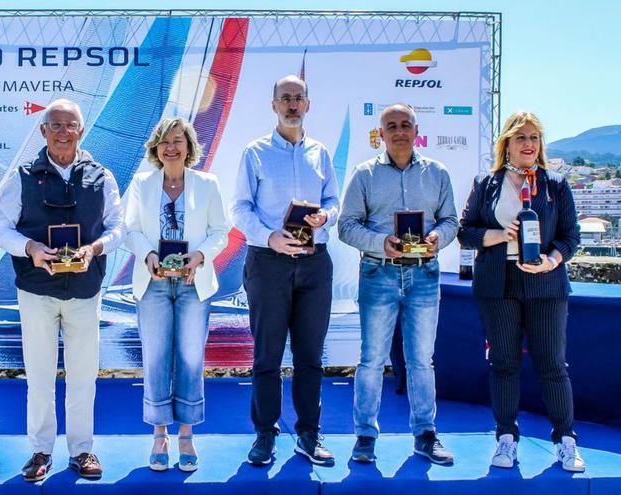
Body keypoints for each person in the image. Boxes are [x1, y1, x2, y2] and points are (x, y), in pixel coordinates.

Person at [0, 98, 124, 481]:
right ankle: (40, 451)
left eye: (71, 125)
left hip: (84, 289)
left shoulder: (103, 177)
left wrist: (94, 248)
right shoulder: (21, 177)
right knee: (40, 374)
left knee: (83, 374)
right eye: (56, 125)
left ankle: (82, 451)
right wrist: (29, 248)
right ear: (43, 130)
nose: (64, 131)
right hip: (36, 290)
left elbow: (118, 228)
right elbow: (0, 228)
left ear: (82, 131)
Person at [458, 111, 584, 472]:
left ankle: (565, 439)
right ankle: (506, 438)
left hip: (546, 285)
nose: (528, 144)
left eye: (534, 137)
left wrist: (552, 260)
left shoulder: (556, 184)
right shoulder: (486, 182)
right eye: (521, 137)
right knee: (504, 364)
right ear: (507, 144)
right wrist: (501, 235)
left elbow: (570, 236)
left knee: (552, 365)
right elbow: (466, 232)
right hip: (497, 285)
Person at [339, 104, 458, 465]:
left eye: (405, 124)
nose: (399, 131)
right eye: (391, 125)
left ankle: (425, 434)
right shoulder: (363, 175)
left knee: (421, 360)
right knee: (372, 359)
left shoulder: (438, 173)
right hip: (379, 273)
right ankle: (364, 436)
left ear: (416, 129)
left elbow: (451, 220)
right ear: (381, 133)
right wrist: (381, 243)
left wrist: (438, 236)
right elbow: (345, 226)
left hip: (424, 274)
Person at [230, 75, 340, 466]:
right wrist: (268, 236)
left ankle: (309, 433)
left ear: (308, 105)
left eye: (299, 98)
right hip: (268, 263)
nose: (292, 105)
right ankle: (265, 433)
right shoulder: (255, 152)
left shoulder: (320, 153)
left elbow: (333, 200)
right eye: (285, 99)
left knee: (310, 355)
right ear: (273, 105)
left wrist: (327, 215)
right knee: (267, 356)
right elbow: (240, 209)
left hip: (314, 265)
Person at [124, 117, 229, 472]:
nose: (171, 147)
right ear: (156, 147)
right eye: (165, 141)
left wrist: (200, 256)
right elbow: (131, 230)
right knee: (155, 357)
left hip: (192, 285)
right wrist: (149, 255)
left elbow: (220, 232)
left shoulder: (208, 183)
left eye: (178, 141)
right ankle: (159, 434)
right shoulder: (141, 184)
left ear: (189, 147)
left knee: (189, 358)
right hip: (152, 284)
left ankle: (186, 434)